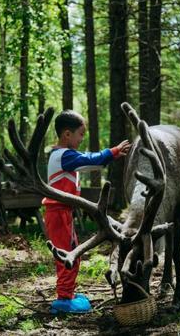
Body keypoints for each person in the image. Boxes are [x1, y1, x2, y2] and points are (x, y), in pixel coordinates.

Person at [44, 110, 131, 314]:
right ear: (67, 134)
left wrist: (111, 156)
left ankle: (68, 294)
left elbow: (89, 164)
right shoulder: (63, 156)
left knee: (75, 251)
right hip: (57, 213)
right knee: (66, 254)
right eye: (81, 134)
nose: (82, 138)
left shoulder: (64, 156)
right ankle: (64, 299)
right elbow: (90, 159)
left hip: (64, 213)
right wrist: (113, 151)